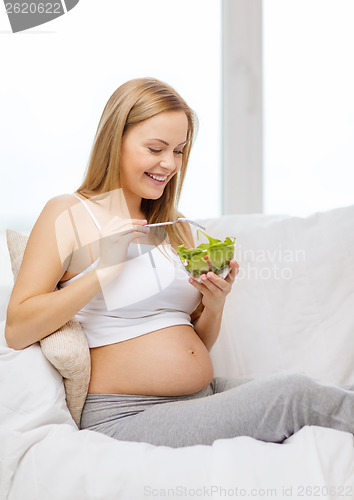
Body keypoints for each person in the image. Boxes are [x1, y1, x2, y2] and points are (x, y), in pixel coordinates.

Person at [5, 77, 354, 448]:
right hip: (127, 413)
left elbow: (196, 342)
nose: (169, 163)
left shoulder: (176, 227)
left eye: (179, 150)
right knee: (295, 396)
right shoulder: (71, 213)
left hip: (200, 396)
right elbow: (18, 328)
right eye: (156, 148)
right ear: (115, 140)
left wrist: (214, 304)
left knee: (326, 390)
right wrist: (104, 270)